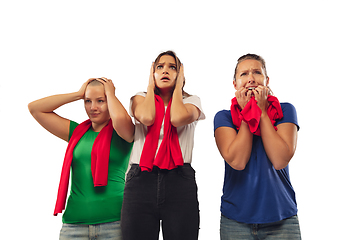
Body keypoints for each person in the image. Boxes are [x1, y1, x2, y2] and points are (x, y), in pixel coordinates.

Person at [28, 78, 134, 240]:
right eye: (88, 101)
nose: (93, 107)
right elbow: (35, 108)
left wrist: (111, 93)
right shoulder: (76, 132)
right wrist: (78, 94)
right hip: (74, 224)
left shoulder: (123, 133)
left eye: (101, 101)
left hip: (114, 223)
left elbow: (119, 119)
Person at [214, 54, 301, 239]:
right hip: (236, 221)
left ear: (266, 80)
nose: (251, 78)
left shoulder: (285, 110)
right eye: (244, 74)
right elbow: (238, 161)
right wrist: (247, 114)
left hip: (282, 218)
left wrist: (261, 112)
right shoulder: (224, 117)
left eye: (257, 72)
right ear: (235, 84)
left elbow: (280, 159)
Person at [120, 50, 205, 240]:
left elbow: (176, 118)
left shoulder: (191, 102)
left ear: (180, 74)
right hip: (141, 178)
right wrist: (151, 87)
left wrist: (178, 88)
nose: (165, 71)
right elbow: (147, 117)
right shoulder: (139, 98)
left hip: (179, 179)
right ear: (152, 73)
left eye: (172, 67)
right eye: (160, 67)